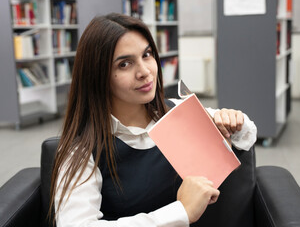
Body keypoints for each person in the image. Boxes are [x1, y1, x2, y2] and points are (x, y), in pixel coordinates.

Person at [49, 13, 257, 227]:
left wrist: (233, 122)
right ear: (98, 75)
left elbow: (246, 135)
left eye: (147, 54)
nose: (145, 71)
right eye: (124, 64)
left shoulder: (177, 112)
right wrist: (180, 212)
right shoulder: (82, 148)